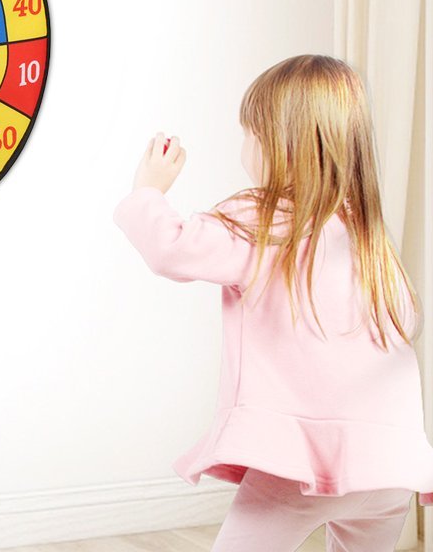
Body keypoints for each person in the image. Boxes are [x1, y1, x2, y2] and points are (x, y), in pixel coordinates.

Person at [112, 54, 433, 551]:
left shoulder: (264, 220)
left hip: (299, 465)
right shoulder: (368, 235)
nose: (244, 147)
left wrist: (148, 191)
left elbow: (171, 249)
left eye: (249, 133)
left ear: (276, 143)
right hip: (390, 466)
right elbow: (403, 322)